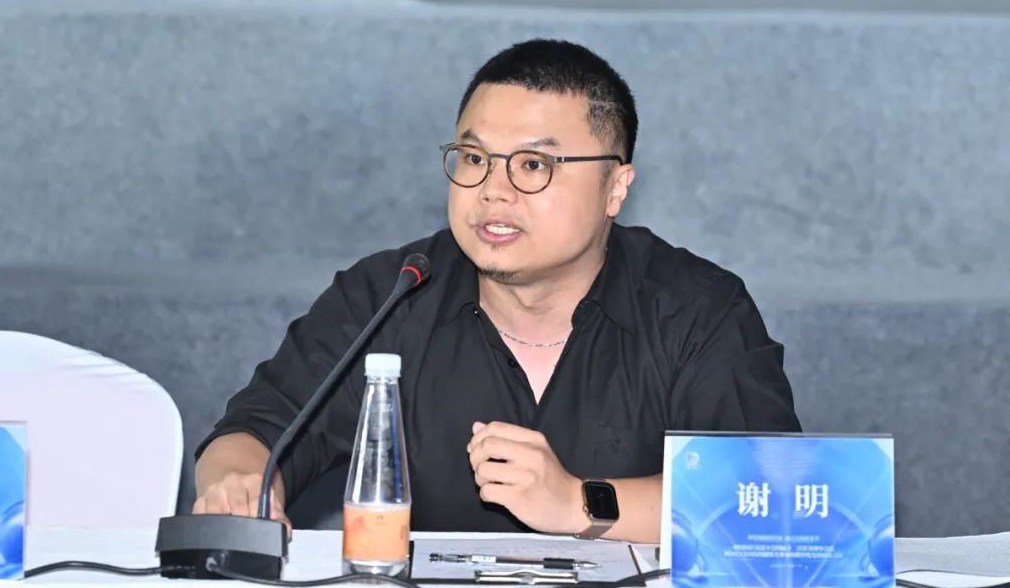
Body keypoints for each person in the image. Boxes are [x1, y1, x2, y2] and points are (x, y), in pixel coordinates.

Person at [192, 39, 801, 543]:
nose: (493, 190)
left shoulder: (697, 308)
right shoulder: (390, 295)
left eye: (533, 165)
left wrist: (577, 503)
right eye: (474, 158)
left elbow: (774, 502)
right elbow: (251, 435)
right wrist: (240, 487)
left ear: (615, 188)